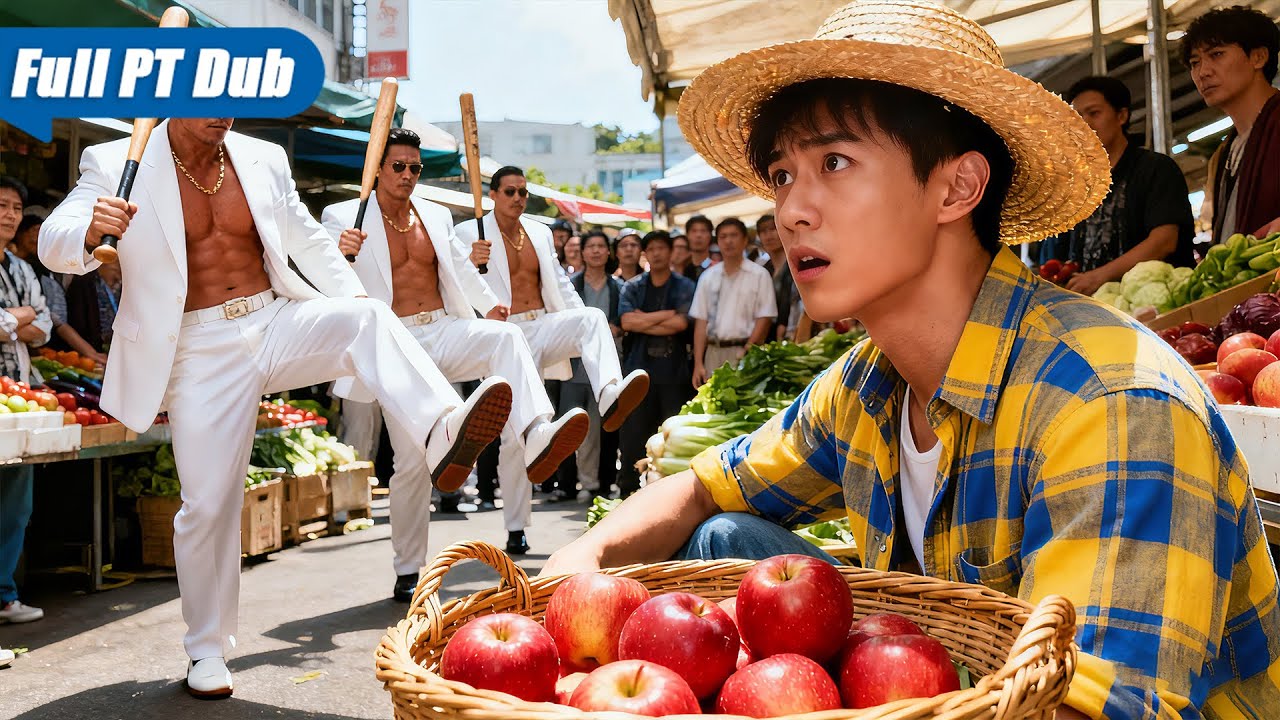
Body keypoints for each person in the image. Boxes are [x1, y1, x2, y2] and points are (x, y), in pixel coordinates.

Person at [541, 2, 1280, 717]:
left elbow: (1090, 708)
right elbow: (705, 486)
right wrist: (584, 558)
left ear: (956, 187)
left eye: (833, 161)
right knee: (724, 541)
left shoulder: (1110, 400)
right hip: (952, 686)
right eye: (783, 176)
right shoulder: (869, 383)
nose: (791, 210)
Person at [40, 118, 514, 699]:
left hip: (274, 317)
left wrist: (354, 294)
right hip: (195, 345)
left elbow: (308, 241)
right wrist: (89, 231)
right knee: (207, 505)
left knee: (366, 317)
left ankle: (443, 430)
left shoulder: (261, 156)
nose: (224, 111)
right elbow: (52, 239)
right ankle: (207, 649)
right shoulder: (117, 160)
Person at [321, 128, 587, 583]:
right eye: (399, 167)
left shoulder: (436, 215)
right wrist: (339, 253)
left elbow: (460, 270)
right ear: (379, 169)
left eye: (415, 168)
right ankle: (408, 570)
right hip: (394, 343)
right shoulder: (343, 216)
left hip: (444, 326)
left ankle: (536, 431)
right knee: (409, 464)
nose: (408, 175)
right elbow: (323, 280)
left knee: (506, 338)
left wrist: (490, 307)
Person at [456, 166, 649, 442]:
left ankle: (610, 394)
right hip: (505, 335)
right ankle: (517, 482)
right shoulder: (469, 232)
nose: (517, 198)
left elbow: (561, 284)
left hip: (543, 325)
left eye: (522, 192)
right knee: (517, 437)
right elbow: (452, 284)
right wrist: (470, 262)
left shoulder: (539, 231)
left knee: (592, 317)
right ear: (494, 194)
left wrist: (577, 320)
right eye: (510, 192)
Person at [1036, 77, 1196, 297]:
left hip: (1156, 302)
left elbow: (1164, 241)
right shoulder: (1074, 188)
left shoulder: (1155, 168)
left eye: (1094, 113)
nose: (1085, 124)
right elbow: (1056, 258)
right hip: (1094, 314)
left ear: (1122, 116)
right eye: (1076, 117)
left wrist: (1099, 276)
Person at [0, 177, 51, 629]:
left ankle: (4, 595)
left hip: (19, 395)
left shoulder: (21, 269)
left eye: (16, 206)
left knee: (16, 505)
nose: (11, 213)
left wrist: (14, 322)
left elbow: (47, 325)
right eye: (2, 204)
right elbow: (26, 321)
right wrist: (21, 318)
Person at [1184, 5, 1280, 243]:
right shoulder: (1222, 154)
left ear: (1258, 57)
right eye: (1195, 62)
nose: (1202, 72)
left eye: (1216, 54)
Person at [617, 230, 697, 498]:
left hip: (674, 372)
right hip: (639, 371)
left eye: (662, 248)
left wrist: (644, 319)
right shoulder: (633, 287)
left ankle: (670, 494)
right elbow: (626, 322)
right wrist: (664, 316)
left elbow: (682, 323)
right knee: (633, 435)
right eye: (651, 249)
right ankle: (628, 491)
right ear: (645, 254)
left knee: (671, 436)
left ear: (670, 251)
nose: (657, 253)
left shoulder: (684, 286)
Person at [560, 231, 623, 501]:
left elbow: (623, 321)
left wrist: (615, 329)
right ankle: (565, 485)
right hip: (572, 368)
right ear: (582, 252)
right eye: (591, 246)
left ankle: (591, 483)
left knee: (597, 431)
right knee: (568, 426)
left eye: (601, 246)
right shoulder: (570, 285)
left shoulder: (618, 287)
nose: (596, 251)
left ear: (609, 252)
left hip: (604, 371)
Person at [689, 217, 777, 387]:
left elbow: (764, 318)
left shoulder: (759, 274)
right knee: (713, 407)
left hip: (745, 350)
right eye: (723, 236)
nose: (728, 241)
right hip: (713, 351)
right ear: (717, 242)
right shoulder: (708, 276)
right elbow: (701, 322)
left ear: (744, 240)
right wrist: (698, 363)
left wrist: (748, 351)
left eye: (734, 235)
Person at [756, 214, 801, 341]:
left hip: (793, 330)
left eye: (772, 229)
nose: (768, 235)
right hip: (767, 334)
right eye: (763, 231)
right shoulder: (762, 269)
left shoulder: (796, 263)